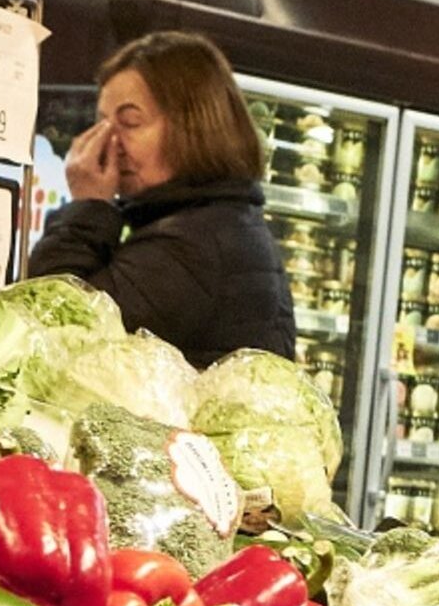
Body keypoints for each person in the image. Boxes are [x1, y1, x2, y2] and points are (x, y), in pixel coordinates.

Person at [33, 29, 297, 364]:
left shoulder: (192, 246)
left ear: (193, 127)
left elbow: (52, 327)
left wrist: (88, 204)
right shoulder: (218, 222)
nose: (108, 142)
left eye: (129, 122)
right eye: (101, 123)